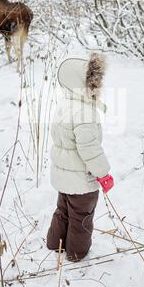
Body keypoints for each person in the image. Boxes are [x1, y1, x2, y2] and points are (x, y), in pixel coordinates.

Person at [47, 53, 114, 262]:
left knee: (63, 210)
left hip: (64, 176)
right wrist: (103, 174)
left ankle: (55, 243)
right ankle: (77, 253)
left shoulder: (64, 105)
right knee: (81, 217)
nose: (96, 88)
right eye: (92, 83)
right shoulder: (85, 112)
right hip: (81, 179)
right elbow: (89, 149)